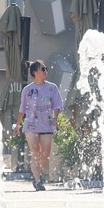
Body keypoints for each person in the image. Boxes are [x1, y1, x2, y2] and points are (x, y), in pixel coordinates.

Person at [13, 60, 63, 191]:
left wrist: (55, 118)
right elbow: (22, 108)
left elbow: (57, 105)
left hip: (46, 124)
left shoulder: (52, 88)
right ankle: (38, 180)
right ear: (35, 72)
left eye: (46, 69)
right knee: (35, 150)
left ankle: (37, 172)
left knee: (45, 154)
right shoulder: (27, 90)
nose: (45, 71)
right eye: (43, 69)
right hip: (30, 124)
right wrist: (18, 125)